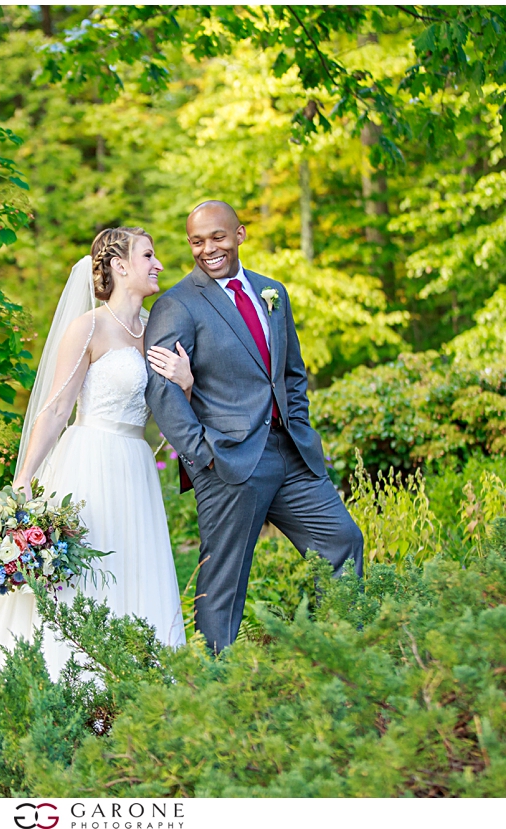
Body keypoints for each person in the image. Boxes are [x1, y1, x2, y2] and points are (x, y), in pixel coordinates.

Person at [0, 227, 189, 679]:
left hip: (137, 467)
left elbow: (173, 410)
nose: (158, 264)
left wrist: (187, 381)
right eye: (148, 255)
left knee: (137, 568)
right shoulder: (89, 327)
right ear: (119, 265)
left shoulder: (155, 327)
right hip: (91, 463)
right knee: (84, 579)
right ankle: (70, 680)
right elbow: (56, 408)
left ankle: (137, 680)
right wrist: (22, 482)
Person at [144, 201, 365, 654]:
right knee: (223, 584)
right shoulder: (177, 304)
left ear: (240, 235)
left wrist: (299, 424)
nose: (208, 249)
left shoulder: (272, 293)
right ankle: (216, 687)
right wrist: (202, 454)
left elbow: (291, 374)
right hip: (227, 462)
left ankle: (344, 657)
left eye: (218, 237)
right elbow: (162, 391)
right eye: (197, 241)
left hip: (292, 454)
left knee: (343, 540)